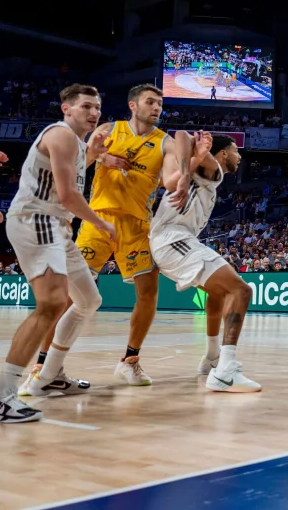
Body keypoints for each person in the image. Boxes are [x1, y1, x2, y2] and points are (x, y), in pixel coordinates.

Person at [0, 85, 114, 421]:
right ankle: (2, 395)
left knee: (88, 300)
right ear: (66, 109)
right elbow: (67, 195)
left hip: (57, 228)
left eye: (98, 108)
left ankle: (49, 376)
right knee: (51, 303)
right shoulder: (60, 135)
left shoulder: (75, 144)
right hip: (38, 219)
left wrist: (91, 154)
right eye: (87, 106)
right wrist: (102, 223)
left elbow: (72, 174)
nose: (94, 114)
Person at [61, 83, 191, 389]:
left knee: (148, 293)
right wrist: (99, 156)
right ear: (133, 105)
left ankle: (130, 361)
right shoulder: (108, 129)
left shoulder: (165, 142)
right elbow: (78, 165)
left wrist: (182, 177)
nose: (157, 108)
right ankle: (46, 365)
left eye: (159, 103)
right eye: (150, 102)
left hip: (136, 226)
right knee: (69, 295)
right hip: (97, 219)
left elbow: (173, 176)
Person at [149, 132, 259, 392]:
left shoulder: (204, 170)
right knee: (240, 290)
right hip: (171, 240)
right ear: (221, 155)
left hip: (175, 239)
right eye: (235, 151)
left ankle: (212, 358)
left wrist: (190, 167)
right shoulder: (213, 170)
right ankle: (225, 373)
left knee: (218, 293)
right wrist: (188, 170)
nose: (239, 156)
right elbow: (182, 135)